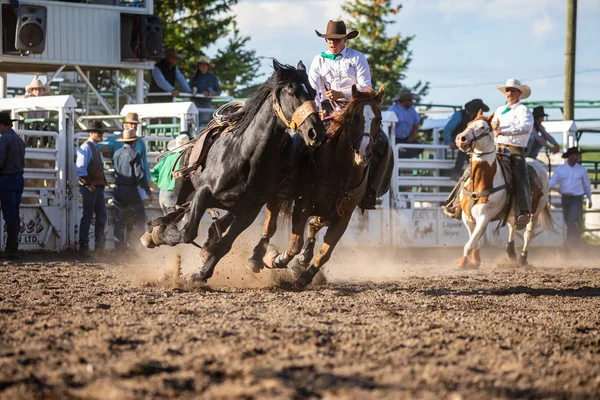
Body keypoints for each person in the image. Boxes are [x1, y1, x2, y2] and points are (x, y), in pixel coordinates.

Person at [442, 79, 534, 229]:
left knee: (520, 174)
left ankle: (523, 211)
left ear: (519, 93)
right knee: (470, 171)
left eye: (513, 90)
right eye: (508, 90)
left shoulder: (523, 110)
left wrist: (503, 130)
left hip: (514, 148)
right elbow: (488, 127)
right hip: (496, 148)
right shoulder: (499, 110)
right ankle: (455, 203)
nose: (509, 93)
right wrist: (492, 127)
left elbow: (526, 127)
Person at [308, 20, 371, 109]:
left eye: (336, 40)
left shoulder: (357, 57)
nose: (332, 43)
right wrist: (318, 110)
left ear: (344, 40)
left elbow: (366, 87)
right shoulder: (318, 60)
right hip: (326, 107)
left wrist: (342, 94)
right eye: (329, 40)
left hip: (353, 107)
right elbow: (313, 89)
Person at [112, 128, 153, 250]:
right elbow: (140, 175)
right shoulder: (134, 154)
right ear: (134, 141)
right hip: (130, 190)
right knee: (139, 218)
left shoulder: (117, 153)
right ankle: (135, 245)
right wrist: (148, 191)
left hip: (118, 189)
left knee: (119, 219)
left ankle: (119, 246)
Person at [549, 147, 592, 248]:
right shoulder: (561, 169)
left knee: (571, 220)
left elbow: (587, 185)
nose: (577, 157)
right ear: (570, 156)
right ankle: (576, 242)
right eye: (576, 155)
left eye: (577, 155)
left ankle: (569, 245)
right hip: (565, 198)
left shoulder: (581, 170)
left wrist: (589, 199)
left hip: (576, 198)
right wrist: (548, 188)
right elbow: (552, 182)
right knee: (569, 221)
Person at [76, 121, 107, 254]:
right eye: (98, 132)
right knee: (90, 216)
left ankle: (96, 246)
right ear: (92, 133)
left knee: (99, 216)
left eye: (101, 132)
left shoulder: (92, 147)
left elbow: (82, 168)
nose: (100, 134)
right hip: (91, 187)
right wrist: (89, 184)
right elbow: (81, 169)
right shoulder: (88, 147)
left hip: (95, 187)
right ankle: (85, 246)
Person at [0, 111, 26, 259]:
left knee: (9, 215)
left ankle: (11, 249)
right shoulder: (19, 140)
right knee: (14, 214)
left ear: (2, 125)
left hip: (7, 179)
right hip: (18, 179)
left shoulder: (4, 139)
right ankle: (13, 247)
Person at [443, 99, 490, 180]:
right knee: (465, 147)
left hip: (469, 141)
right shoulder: (459, 115)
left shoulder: (475, 118)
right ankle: (459, 171)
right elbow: (447, 129)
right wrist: (449, 142)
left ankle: (474, 171)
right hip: (458, 139)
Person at [98, 113, 150, 181]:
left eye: (135, 124)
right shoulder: (115, 139)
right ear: (126, 124)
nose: (133, 126)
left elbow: (144, 161)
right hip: (122, 176)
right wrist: (103, 147)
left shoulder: (140, 142)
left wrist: (148, 178)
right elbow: (99, 145)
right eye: (131, 123)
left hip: (134, 178)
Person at [151, 133, 189, 214]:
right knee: (173, 223)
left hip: (162, 193)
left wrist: (160, 182)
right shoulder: (184, 159)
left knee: (167, 220)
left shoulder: (167, 158)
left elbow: (154, 171)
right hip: (172, 194)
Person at [389, 89, 423, 159]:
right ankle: (396, 160)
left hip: (406, 138)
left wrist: (413, 137)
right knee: (390, 150)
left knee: (420, 148)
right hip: (393, 138)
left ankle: (399, 159)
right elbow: (388, 125)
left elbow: (416, 124)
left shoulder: (412, 110)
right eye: (410, 100)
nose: (411, 102)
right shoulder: (393, 110)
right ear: (405, 100)